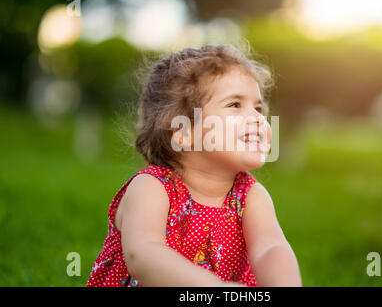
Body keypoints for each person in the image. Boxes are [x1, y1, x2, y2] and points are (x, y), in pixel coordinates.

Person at [86, 43, 302, 287]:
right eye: (235, 105)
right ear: (183, 131)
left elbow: (270, 249)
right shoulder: (152, 188)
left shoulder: (250, 196)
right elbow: (144, 254)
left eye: (258, 107)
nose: (257, 119)